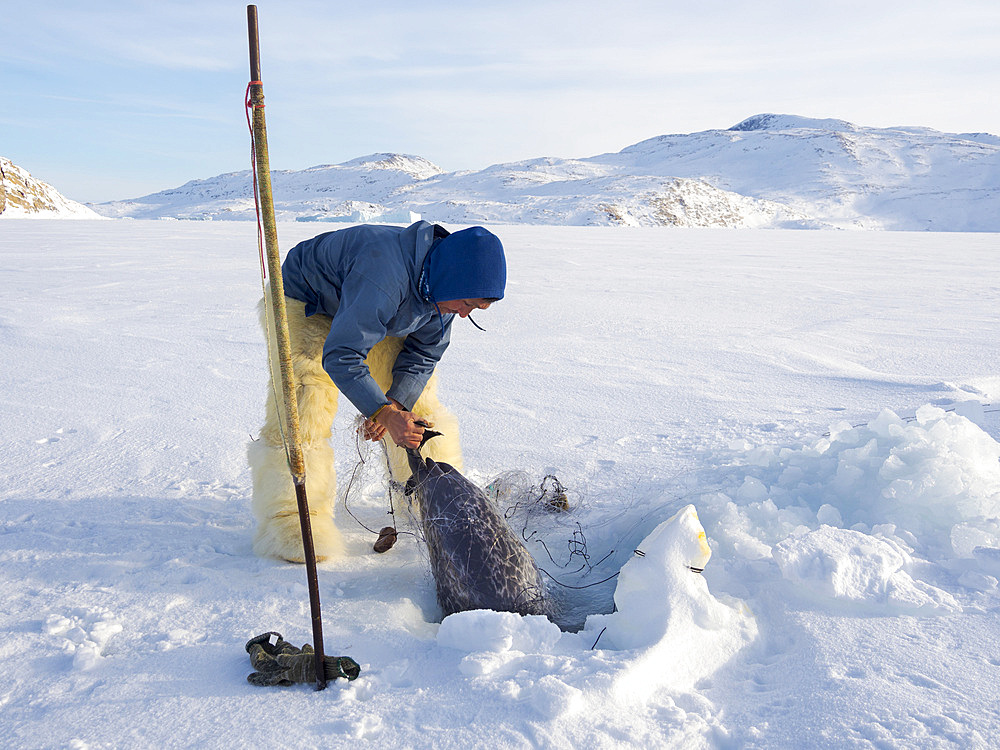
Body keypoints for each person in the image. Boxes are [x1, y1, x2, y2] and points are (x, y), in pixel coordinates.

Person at [248, 220, 506, 563]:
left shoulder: (444, 293)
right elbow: (341, 354)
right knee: (307, 399)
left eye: (474, 310)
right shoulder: (385, 275)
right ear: (451, 278)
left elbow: (423, 355)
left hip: (379, 310)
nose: (464, 313)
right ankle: (291, 518)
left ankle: (434, 499)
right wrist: (381, 412)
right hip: (307, 302)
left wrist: (395, 406)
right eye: (467, 303)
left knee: (420, 406)